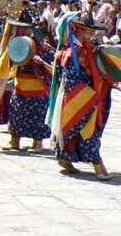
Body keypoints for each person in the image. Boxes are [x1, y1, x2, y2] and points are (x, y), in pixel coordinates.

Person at [47, 12, 114, 180]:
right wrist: (87, 95)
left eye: (92, 31)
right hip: (78, 96)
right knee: (87, 131)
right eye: (87, 30)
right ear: (77, 29)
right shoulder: (70, 51)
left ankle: (65, 158)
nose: (91, 34)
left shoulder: (89, 48)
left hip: (91, 94)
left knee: (88, 130)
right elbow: (69, 79)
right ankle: (97, 164)